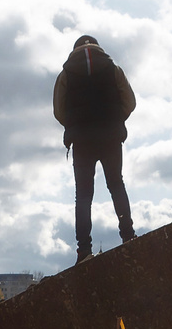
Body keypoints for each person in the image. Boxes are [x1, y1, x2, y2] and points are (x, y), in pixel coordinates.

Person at [53, 33, 138, 261]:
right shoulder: (113, 69)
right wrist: (115, 119)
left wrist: (75, 125)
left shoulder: (66, 74)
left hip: (82, 140)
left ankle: (84, 251)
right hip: (110, 136)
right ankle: (128, 237)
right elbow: (130, 101)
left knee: (83, 195)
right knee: (116, 184)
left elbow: (58, 111)